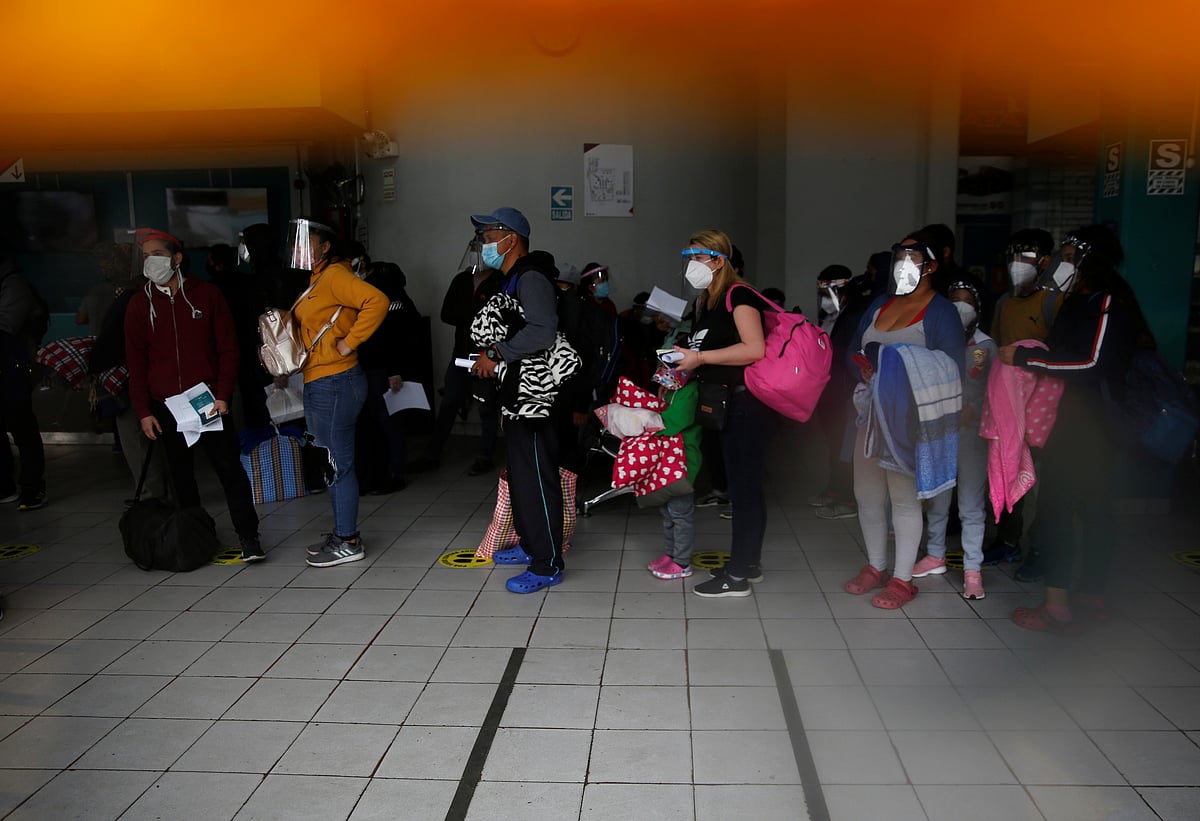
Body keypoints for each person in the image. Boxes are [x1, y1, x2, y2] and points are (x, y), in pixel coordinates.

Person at [999, 225, 1141, 632]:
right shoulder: (1077, 300)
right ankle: (1087, 598)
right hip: (1072, 423)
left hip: (1090, 427)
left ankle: (1059, 604)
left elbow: (1091, 365)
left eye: (1067, 255)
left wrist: (1025, 360)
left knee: (1067, 511)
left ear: (1088, 259)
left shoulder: (1108, 302)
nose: (1059, 263)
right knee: (1089, 511)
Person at [123, 229, 263, 561]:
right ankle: (195, 540)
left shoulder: (207, 295)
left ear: (177, 258)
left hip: (209, 400)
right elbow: (136, 362)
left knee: (230, 471)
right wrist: (143, 410)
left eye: (156, 254)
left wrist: (223, 393)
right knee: (180, 478)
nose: (150, 262)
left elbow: (228, 349)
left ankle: (249, 537)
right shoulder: (139, 304)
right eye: (145, 257)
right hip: (166, 405)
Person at [842, 235, 965, 609]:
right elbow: (851, 349)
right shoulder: (881, 304)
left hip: (909, 421)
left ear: (931, 266)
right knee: (867, 495)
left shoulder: (941, 311)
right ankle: (875, 565)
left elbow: (952, 367)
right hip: (868, 415)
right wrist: (863, 367)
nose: (904, 265)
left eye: (912, 258)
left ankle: (902, 578)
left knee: (904, 500)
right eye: (899, 258)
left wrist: (901, 365)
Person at [468, 207, 569, 593]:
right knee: (523, 475)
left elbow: (543, 333)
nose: (484, 243)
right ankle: (531, 545)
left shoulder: (531, 278)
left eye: (489, 234)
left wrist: (495, 353)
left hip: (535, 397)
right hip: (516, 394)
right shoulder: (509, 279)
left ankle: (548, 564)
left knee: (537, 479)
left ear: (512, 237)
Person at [670, 229, 771, 598]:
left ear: (718, 260)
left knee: (743, 491)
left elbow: (753, 349)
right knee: (744, 488)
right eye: (690, 257)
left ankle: (738, 574)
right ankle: (751, 564)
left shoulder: (738, 295)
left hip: (744, 403)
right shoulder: (707, 300)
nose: (693, 265)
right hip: (723, 402)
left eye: (699, 257)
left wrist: (700, 358)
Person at [288, 219, 388, 568]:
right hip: (323, 380)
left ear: (325, 245)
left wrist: (349, 343)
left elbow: (377, 300)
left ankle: (347, 540)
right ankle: (343, 533)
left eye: (307, 240)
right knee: (332, 463)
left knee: (338, 465)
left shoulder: (334, 276)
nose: (299, 247)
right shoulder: (317, 278)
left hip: (336, 381)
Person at [913, 278, 997, 600]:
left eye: (967, 301)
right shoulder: (932, 342)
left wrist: (972, 409)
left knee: (971, 504)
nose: (960, 306)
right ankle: (935, 555)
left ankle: (973, 569)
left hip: (971, 434)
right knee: (937, 498)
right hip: (937, 431)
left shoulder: (985, 346)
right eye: (954, 300)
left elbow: (993, 391)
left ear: (977, 308)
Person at [986, 228, 1061, 572]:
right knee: (1005, 465)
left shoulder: (1053, 301)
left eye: (1027, 258)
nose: (1018, 265)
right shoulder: (1004, 303)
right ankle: (1007, 540)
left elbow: (1061, 356)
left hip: (1043, 404)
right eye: (1013, 257)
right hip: (1007, 404)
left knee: (1041, 479)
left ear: (1045, 262)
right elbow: (998, 347)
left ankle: (1041, 547)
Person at [410, 233, 502, 476]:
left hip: (487, 355)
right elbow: (447, 313)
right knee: (450, 401)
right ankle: (432, 454)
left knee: (487, 406)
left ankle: (485, 455)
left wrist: (475, 320)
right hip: (460, 354)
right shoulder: (462, 280)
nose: (477, 254)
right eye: (475, 249)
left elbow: (502, 319)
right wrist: (474, 317)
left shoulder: (500, 281)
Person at [355, 260, 419, 495]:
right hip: (382, 369)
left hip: (378, 369)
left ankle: (392, 473)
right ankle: (390, 472)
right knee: (388, 422)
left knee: (385, 423)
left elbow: (390, 337)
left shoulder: (377, 294)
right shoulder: (397, 294)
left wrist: (394, 370)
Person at [0, 252, 47, 510]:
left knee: (23, 430)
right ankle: (4, 486)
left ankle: (32, 489)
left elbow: (6, 328)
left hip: (13, 371)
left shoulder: (13, 284)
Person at [207, 242, 271, 430]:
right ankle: (260, 438)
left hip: (223, 351)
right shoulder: (248, 282)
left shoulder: (210, 290)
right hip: (252, 345)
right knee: (255, 398)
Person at [76, 244, 121, 336]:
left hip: (96, 341)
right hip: (116, 341)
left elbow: (80, 319)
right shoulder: (124, 292)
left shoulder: (93, 291)